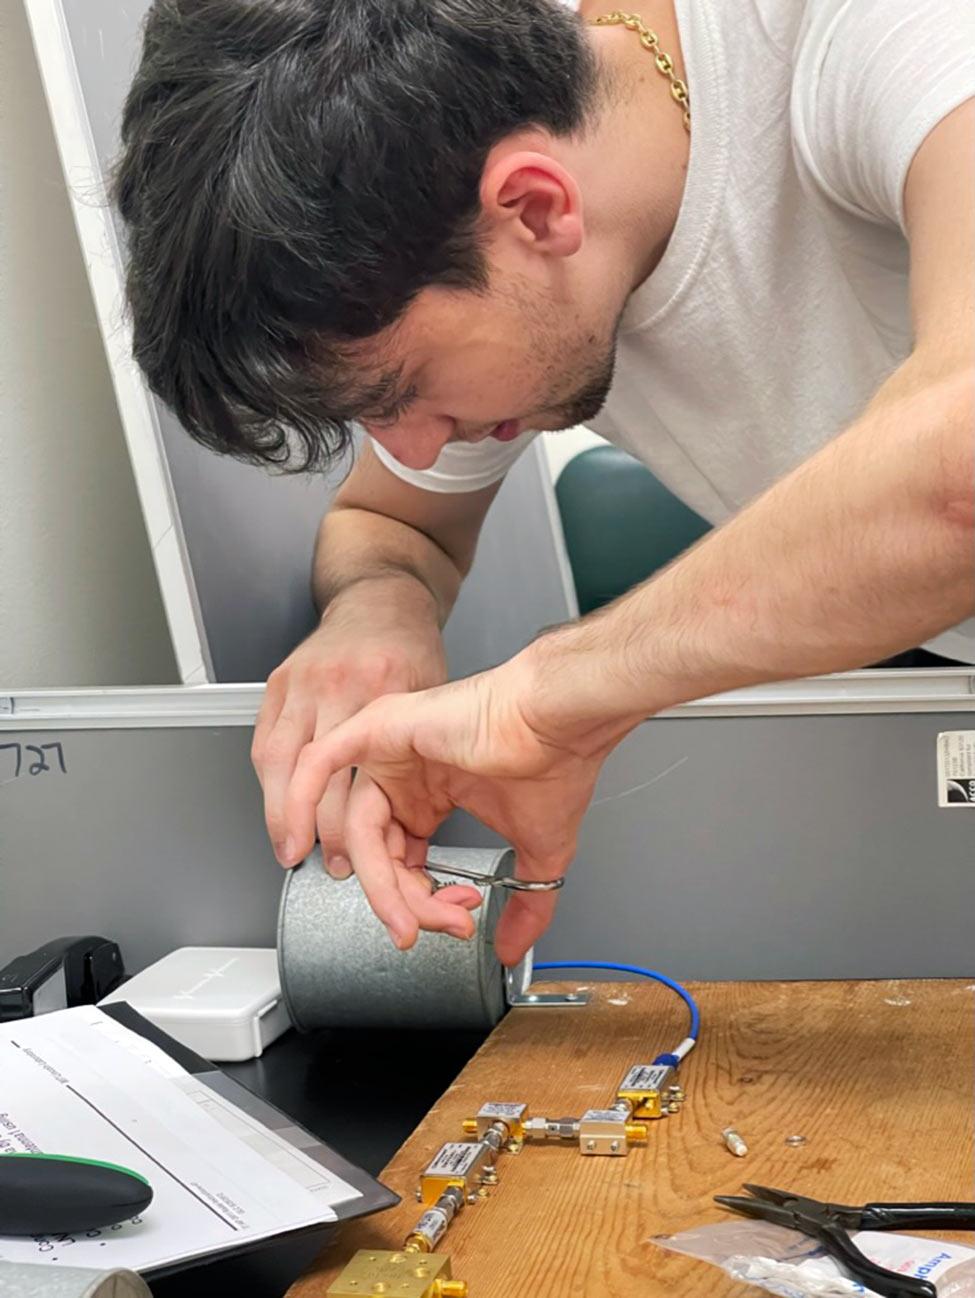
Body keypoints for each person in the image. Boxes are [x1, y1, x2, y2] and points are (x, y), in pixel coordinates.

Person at [115, 0, 974, 966]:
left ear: (534, 207)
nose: (416, 447)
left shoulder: (878, 28)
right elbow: (394, 526)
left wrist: (551, 698)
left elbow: (959, 474)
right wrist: (380, 614)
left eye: (404, 391)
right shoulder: (502, 248)